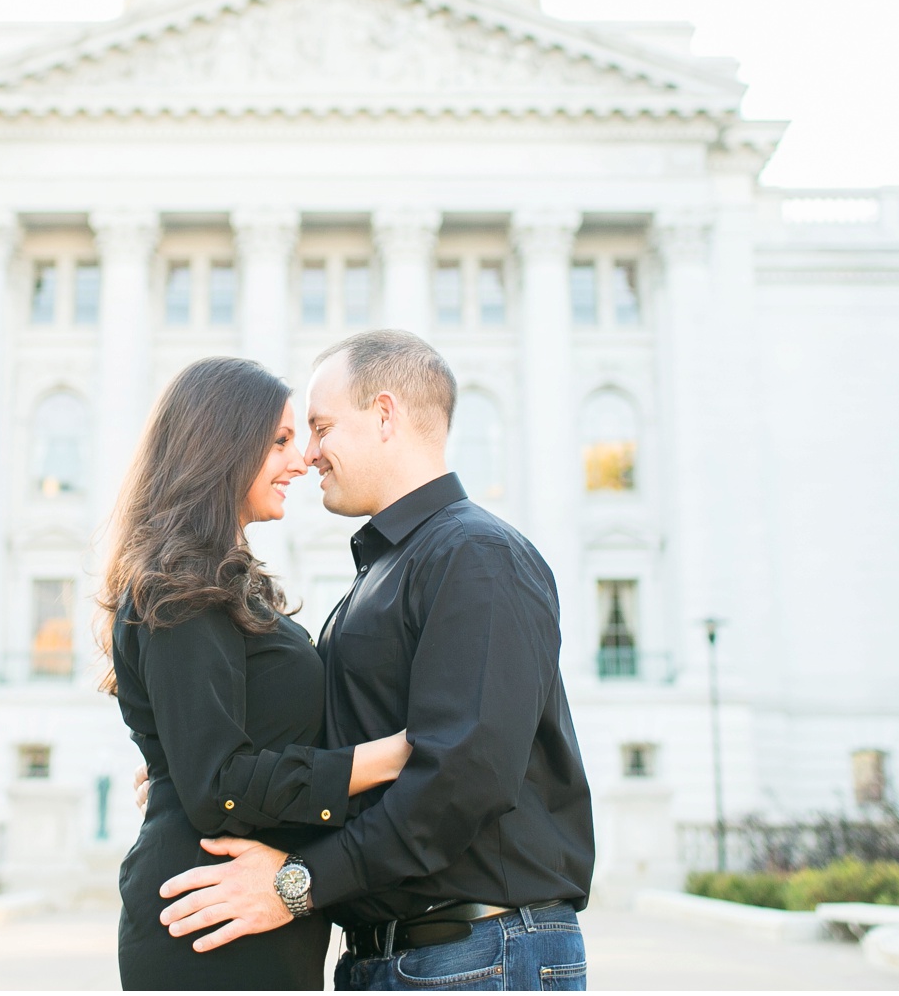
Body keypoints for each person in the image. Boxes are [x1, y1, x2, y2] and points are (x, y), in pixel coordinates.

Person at [151, 330, 595, 991]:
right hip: (411, 955)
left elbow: (462, 776)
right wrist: (203, 755)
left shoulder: (475, 555)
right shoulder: (394, 568)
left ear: (385, 415)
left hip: (475, 952)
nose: (309, 453)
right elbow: (347, 744)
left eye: (322, 426)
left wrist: (299, 884)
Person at [100, 355, 413, 990]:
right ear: (220, 447)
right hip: (210, 917)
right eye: (279, 441)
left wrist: (178, 763)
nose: (301, 461)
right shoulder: (181, 582)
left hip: (243, 908)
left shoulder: (219, 577)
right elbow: (219, 783)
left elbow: (216, 754)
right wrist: (403, 753)